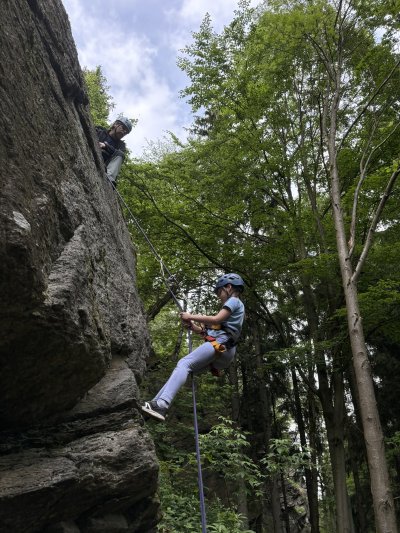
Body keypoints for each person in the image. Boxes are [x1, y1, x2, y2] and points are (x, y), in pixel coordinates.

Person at [141, 273, 245, 421]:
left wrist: (190, 316)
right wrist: (193, 326)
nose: (218, 296)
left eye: (219, 292)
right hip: (224, 351)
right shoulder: (234, 314)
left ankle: (162, 404)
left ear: (229, 287)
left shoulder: (234, 301)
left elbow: (216, 319)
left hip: (221, 344)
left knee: (184, 363)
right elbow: (210, 330)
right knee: (184, 368)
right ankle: (154, 405)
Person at [95, 116, 133, 186]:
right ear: (115, 124)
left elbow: (119, 155)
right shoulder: (100, 131)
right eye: (123, 128)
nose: (124, 132)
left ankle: (109, 178)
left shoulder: (121, 145)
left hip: (105, 166)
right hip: (94, 154)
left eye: (126, 132)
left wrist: (106, 146)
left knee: (120, 154)